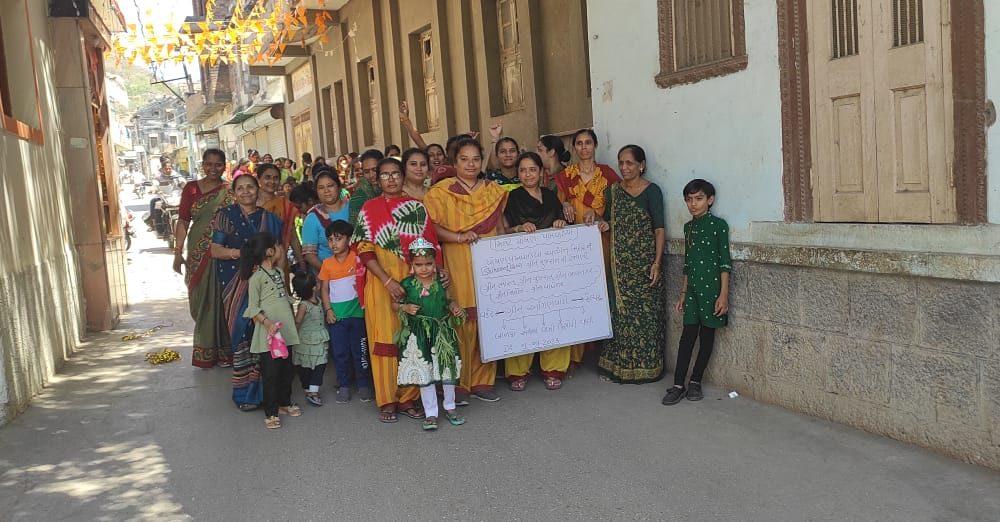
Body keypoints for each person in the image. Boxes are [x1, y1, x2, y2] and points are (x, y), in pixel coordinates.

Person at [351, 157, 441, 422]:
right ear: (377, 180)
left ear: (403, 177)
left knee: (412, 339)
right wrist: (388, 281)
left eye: (395, 174)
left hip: (414, 280)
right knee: (385, 342)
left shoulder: (417, 208)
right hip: (380, 283)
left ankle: (409, 398)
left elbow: (430, 246)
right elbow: (364, 250)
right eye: (384, 175)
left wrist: (429, 277)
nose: (390, 179)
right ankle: (387, 399)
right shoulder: (369, 209)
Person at [424, 138, 508, 403]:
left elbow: (502, 226)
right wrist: (458, 237)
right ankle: (458, 383)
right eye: (464, 159)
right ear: (454, 162)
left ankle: (484, 380)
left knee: (488, 320)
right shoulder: (440, 192)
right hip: (457, 261)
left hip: (489, 264)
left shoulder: (493, 191)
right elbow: (432, 228)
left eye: (475, 159)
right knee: (460, 320)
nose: (470, 164)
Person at [587, 145, 667, 384]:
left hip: (644, 265)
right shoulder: (613, 192)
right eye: (621, 162)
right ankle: (618, 367)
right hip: (620, 266)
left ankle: (647, 368)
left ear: (641, 165)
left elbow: (659, 229)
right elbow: (612, 221)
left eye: (630, 163)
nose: (624, 168)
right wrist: (599, 221)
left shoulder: (652, 191)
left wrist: (657, 263)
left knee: (646, 318)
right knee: (620, 316)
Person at [211, 174, 284, 410]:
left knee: (264, 332)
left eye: (250, 187)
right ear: (234, 192)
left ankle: (269, 393)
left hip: (266, 285)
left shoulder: (269, 219)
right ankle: (245, 394)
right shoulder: (226, 216)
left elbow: (279, 250)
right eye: (240, 188)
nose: (245, 192)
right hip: (235, 284)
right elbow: (215, 250)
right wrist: (242, 255)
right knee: (242, 333)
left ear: (258, 189)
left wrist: (279, 279)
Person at [501, 152, 571, 391]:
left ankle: (554, 368)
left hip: (552, 268)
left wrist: (561, 223)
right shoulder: (512, 197)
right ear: (518, 174)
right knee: (524, 316)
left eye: (532, 169)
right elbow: (503, 231)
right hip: (522, 269)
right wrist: (520, 227)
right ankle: (517, 370)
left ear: (542, 172)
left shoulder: (551, 197)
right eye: (523, 170)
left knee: (554, 314)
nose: (528, 174)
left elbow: (562, 222)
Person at [555, 128, 621, 370]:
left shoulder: (607, 175)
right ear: (574, 148)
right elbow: (559, 201)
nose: (584, 147)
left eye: (588, 143)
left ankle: (604, 348)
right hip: (574, 242)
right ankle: (576, 353)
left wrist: (601, 214)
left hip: (600, 239)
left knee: (600, 288)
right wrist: (564, 204)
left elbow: (616, 206)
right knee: (575, 291)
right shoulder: (566, 175)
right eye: (579, 143)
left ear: (595, 146)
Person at [662, 179, 731, 405]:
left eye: (699, 199)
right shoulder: (688, 228)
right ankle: (678, 384)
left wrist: (723, 295)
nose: (693, 204)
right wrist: (682, 294)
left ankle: (695, 382)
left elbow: (724, 263)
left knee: (707, 337)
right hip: (692, 291)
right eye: (689, 199)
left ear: (710, 200)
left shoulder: (719, 226)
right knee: (687, 337)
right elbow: (688, 264)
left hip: (712, 292)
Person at [394, 238, 467, 431]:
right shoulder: (407, 285)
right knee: (425, 373)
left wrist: (455, 308)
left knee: (446, 369)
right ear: (412, 265)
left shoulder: (441, 282)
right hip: (419, 334)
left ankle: (450, 407)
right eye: (419, 265)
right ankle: (431, 413)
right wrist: (405, 307)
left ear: (435, 263)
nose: (424, 268)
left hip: (442, 332)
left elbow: (448, 301)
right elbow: (395, 304)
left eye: (428, 264)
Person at [173, 148, 234, 368]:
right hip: (197, 252)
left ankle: (225, 352)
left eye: (218, 164)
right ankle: (207, 349)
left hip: (222, 250)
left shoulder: (230, 190)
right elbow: (182, 221)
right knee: (199, 299)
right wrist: (178, 252)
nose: (213, 169)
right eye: (209, 164)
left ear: (224, 165)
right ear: (203, 165)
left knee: (220, 298)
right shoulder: (191, 189)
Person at [240, 231, 302, 429]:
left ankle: (285, 402)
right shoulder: (256, 278)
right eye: (277, 246)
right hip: (270, 334)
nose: (281, 249)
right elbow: (252, 308)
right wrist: (267, 324)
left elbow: (283, 297)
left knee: (286, 370)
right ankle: (271, 411)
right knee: (271, 374)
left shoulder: (276, 272)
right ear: (269, 251)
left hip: (286, 331)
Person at [319, 220, 372, 404]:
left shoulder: (357, 258)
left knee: (360, 351)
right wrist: (328, 310)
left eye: (338, 239)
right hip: (337, 318)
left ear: (349, 239)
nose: (333, 243)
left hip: (357, 316)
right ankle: (344, 385)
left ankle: (363, 384)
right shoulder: (327, 264)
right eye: (330, 240)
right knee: (340, 353)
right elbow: (324, 289)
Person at [257, 163, 304, 272]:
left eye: (276, 178)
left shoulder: (284, 204)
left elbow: (292, 236)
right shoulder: (249, 203)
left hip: (279, 261)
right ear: (258, 179)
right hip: (254, 261)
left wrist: (301, 263)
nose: (272, 182)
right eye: (267, 177)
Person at [292, 271, 329, 407]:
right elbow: (298, 322)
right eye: (317, 282)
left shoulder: (318, 301)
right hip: (305, 341)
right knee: (305, 366)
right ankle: (308, 389)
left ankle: (313, 391)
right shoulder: (304, 305)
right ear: (314, 287)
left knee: (321, 364)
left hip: (319, 338)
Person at [302, 169, 350, 272]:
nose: (326, 191)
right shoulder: (313, 217)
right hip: (330, 278)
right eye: (321, 188)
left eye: (330, 186)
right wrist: (331, 272)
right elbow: (309, 255)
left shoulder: (353, 208)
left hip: (358, 271)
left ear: (339, 186)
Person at [348, 149, 384, 225]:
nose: (371, 175)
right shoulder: (358, 198)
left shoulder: (394, 188)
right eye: (366, 172)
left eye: (375, 170)